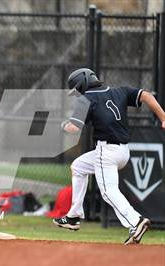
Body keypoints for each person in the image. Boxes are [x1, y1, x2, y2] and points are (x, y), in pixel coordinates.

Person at [53, 68, 165, 245]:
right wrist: (163, 117)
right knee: (78, 167)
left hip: (106, 152)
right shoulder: (118, 91)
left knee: (108, 192)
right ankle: (73, 216)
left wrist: (62, 125)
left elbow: (74, 128)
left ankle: (136, 221)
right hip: (122, 152)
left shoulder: (86, 99)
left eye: (76, 90)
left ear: (82, 84)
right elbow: (146, 95)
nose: (76, 94)